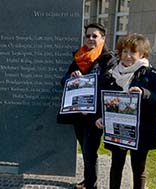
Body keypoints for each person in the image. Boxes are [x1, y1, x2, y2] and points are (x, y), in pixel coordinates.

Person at [94, 33, 156, 189]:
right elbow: (104, 101)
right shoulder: (112, 74)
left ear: (142, 54)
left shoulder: (151, 74)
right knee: (116, 165)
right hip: (118, 130)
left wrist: (144, 93)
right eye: (124, 51)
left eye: (132, 52)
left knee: (138, 168)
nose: (127, 56)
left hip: (142, 130)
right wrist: (101, 117)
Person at [59, 23, 117, 189]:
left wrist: (94, 107)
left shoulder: (108, 58)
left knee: (89, 149)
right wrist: (73, 76)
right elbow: (63, 81)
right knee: (85, 150)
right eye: (88, 35)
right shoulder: (79, 57)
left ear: (103, 38)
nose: (90, 39)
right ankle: (88, 180)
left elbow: (108, 85)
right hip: (78, 113)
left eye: (95, 36)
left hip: (95, 114)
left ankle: (91, 184)